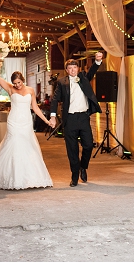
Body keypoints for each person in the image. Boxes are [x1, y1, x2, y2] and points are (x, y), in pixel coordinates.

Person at [0, 59, 53, 190]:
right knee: (14, 144)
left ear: (22, 80)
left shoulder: (30, 90)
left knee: (28, 146)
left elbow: (35, 108)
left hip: (26, 121)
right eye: (15, 83)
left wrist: (46, 121)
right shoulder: (10, 88)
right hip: (14, 121)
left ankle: (29, 177)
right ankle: (10, 176)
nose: (17, 85)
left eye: (19, 82)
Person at [48, 53, 103, 186]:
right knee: (72, 149)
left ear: (78, 69)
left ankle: (83, 167)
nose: (73, 70)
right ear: (66, 70)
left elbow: (92, 70)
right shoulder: (61, 82)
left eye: (75, 67)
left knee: (89, 145)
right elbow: (55, 100)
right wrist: (53, 116)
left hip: (83, 117)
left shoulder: (84, 78)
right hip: (70, 119)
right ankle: (74, 175)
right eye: (70, 68)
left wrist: (97, 61)